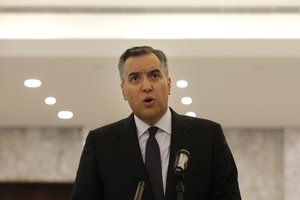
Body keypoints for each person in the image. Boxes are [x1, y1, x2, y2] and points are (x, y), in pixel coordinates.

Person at [71, 46, 242, 200]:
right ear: (124, 91)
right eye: (135, 78)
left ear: (168, 84)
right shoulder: (101, 143)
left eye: (154, 75)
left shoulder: (208, 136)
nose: (146, 86)